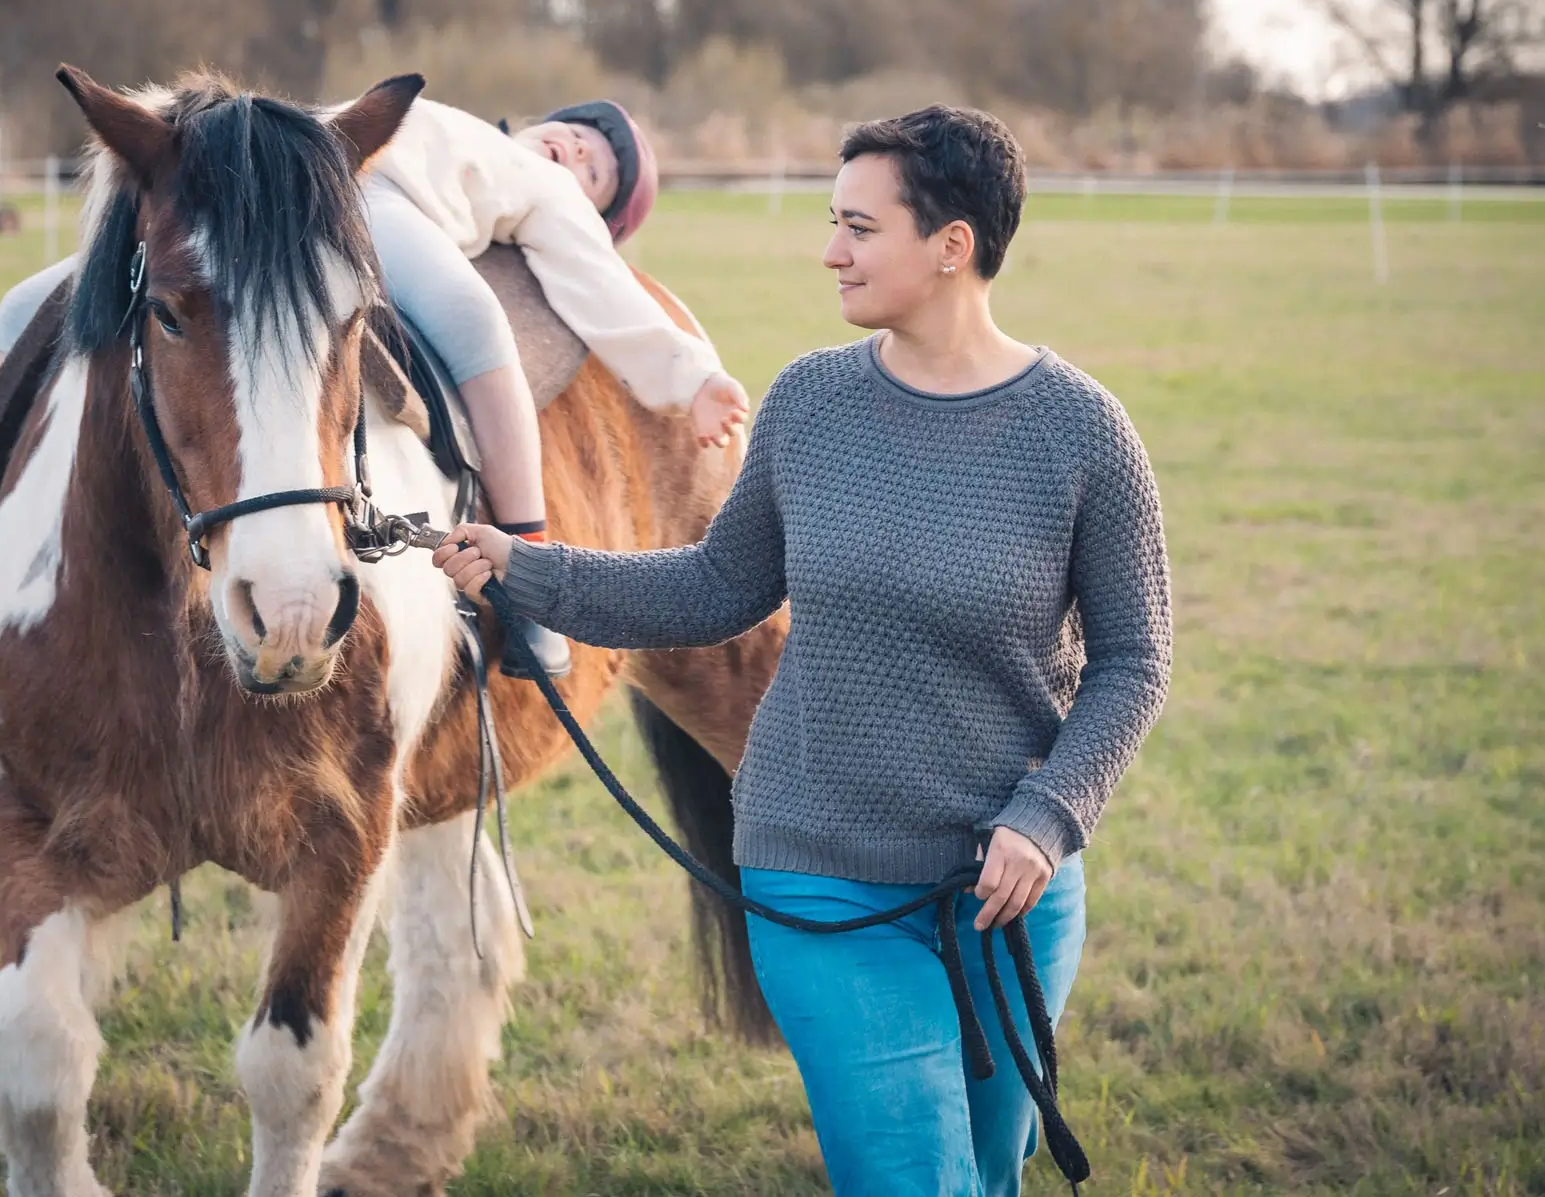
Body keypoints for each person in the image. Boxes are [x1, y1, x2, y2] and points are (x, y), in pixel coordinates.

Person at [433, 105, 1173, 1194]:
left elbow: (1133, 660)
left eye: (858, 228)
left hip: (1011, 883)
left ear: (950, 247)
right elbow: (714, 586)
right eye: (834, 222)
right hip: (818, 872)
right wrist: (523, 565)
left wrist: (1048, 816)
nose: (829, 249)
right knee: (912, 1179)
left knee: (991, 1170)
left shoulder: (1080, 432)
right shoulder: (811, 401)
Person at [0, 93, 751, 679]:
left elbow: (608, 296)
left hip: (373, 208)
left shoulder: (545, 203)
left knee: (478, 330)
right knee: (22, 309)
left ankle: (525, 565)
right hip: (278, 175)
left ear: (598, 211)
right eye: (579, 133)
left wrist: (692, 376)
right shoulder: (478, 132)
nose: (573, 154)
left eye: (596, 170)